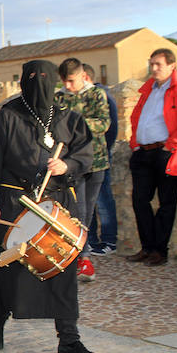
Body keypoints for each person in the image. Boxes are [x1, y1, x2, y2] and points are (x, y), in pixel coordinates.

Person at [0, 59, 101, 353]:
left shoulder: (67, 117)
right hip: (16, 203)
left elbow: (86, 154)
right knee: (9, 268)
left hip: (57, 203)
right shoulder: (6, 117)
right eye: (32, 79)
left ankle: (69, 338)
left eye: (44, 79)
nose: (38, 84)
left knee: (63, 269)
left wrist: (67, 165)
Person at [128, 48, 177, 266]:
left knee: (167, 203)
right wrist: (134, 145)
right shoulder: (148, 90)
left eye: (159, 64)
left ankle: (159, 251)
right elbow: (137, 118)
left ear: (172, 66)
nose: (154, 68)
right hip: (143, 153)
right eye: (152, 63)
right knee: (139, 201)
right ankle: (147, 247)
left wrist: (171, 147)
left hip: (166, 153)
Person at [56, 58, 111, 282]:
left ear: (82, 76)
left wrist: (75, 125)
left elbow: (103, 124)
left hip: (96, 162)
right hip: (72, 164)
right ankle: (82, 257)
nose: (68, 86)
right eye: (64, 82)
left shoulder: (96, 95)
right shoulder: (59, 97)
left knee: (87, 212)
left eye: (71, 81)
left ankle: (82, 257)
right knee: (77, 212)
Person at [84, 64, 118, 255]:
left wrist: (103, 150)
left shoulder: (104, 96)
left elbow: (110, 129)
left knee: (103, 200)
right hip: (84, 159)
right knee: (87, 202)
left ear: (85, 77)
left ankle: (109, 241)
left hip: (100, 157)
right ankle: (91, 240)